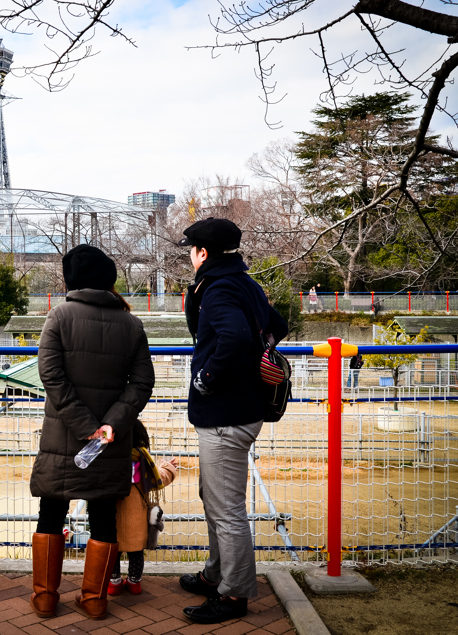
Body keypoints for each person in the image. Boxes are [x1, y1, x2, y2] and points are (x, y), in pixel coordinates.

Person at [29, 244, 155, 621]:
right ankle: (95, 599)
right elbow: (142, 383)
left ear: (72, 279)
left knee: (52, 509)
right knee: (103, 514)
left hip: (63, 435)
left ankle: (46, 597)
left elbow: (51, 376)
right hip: (112, 440)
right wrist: (109, 426)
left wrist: (85, 427)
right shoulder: (131, 323)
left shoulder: (59, 316)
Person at [178, 218, 289, 625]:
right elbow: (277, 327)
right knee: (215, 499)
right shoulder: (245, 283)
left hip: (226, 413)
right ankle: (215, 574)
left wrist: (208, 377)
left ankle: (234, 593)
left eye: (191, 249)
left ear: (202, 253)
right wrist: (255, 361)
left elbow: (236, 338)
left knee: (226, 509)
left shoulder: (220, 287)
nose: (190, 255)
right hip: (241, 409)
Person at [107, 420, 178, 596]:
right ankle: (134, 583)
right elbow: (159, 478)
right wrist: (169, 467)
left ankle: (114, 583)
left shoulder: (110, 458)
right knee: (137, 552)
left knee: (113, 553)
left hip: (112, 516)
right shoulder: (143, 459)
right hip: (137, 517)